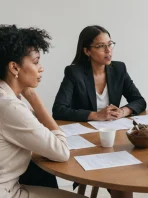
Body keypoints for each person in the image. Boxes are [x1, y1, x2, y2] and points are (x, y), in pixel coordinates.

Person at [0, 25, 86, 198]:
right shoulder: (9, 106)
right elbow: (61, 151)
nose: (41, 68)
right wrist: (33, 97)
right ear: (14, 68)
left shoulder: (8, 98)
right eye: (36, 61)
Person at [52, 25, 146, 122]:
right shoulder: (74, 72)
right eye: (101, 46)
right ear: (87, 51)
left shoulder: (119, 69)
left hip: (112, 129)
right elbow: (58, 110)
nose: (108, 50)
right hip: (85, 130)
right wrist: (96, 115)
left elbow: (139, 101)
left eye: (109, 44)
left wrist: (122, 112)